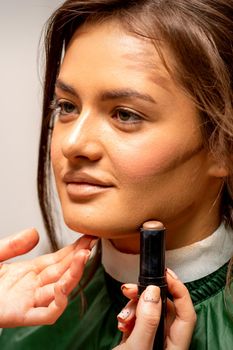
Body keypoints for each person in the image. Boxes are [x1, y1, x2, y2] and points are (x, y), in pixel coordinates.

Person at [0, 0, 233, 348]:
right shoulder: (21, 317)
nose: (73, 144)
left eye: (125, 114)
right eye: (66, 106)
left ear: (223, 146)